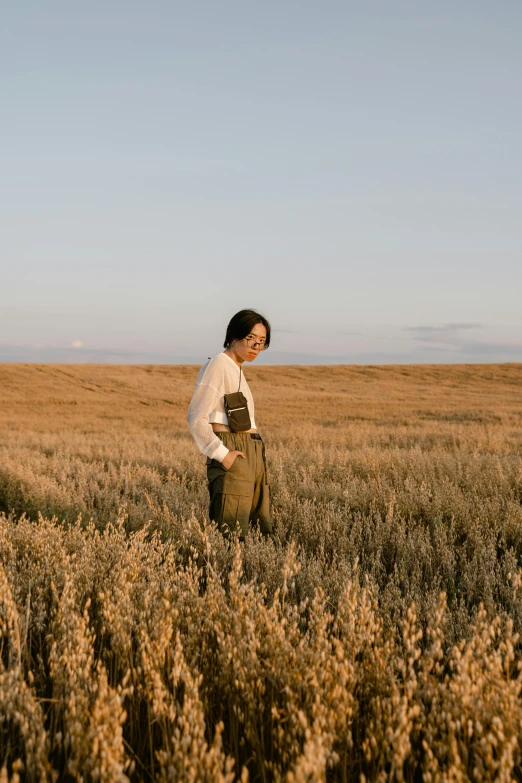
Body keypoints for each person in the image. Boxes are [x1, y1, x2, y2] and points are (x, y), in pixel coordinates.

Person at [187, 309, 273, 540]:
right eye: (251, 339)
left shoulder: (236, 368)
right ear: (234, 336)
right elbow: (196, 418)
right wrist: (221, 454)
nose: (256, 346)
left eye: (262, 342)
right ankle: (224, 576)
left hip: (251, 452)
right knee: (231, 533)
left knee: (257, 530)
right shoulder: (219, 364)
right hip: (233, 450)